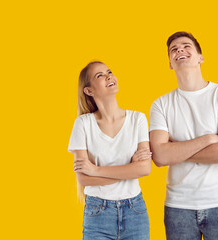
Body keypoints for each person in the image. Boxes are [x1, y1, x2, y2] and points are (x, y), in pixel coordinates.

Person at [149, 32, 218, 240]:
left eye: (186, 46)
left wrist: (177, 150)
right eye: (173, 49)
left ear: (200, 57)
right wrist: (208, 139)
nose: (179, 50)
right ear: (170, 64)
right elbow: (160, 157)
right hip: (178, 207)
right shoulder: (161, 105)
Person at [68, 61, 151, 240]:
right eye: (100, 75)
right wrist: (129, 169)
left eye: (109, 72)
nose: (108, 76)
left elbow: (144, 169)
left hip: (135, 211)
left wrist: (96, 170)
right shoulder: (83, 124)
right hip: (97, 213)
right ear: (89, 91)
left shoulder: (138, 119)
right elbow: (83, 178)